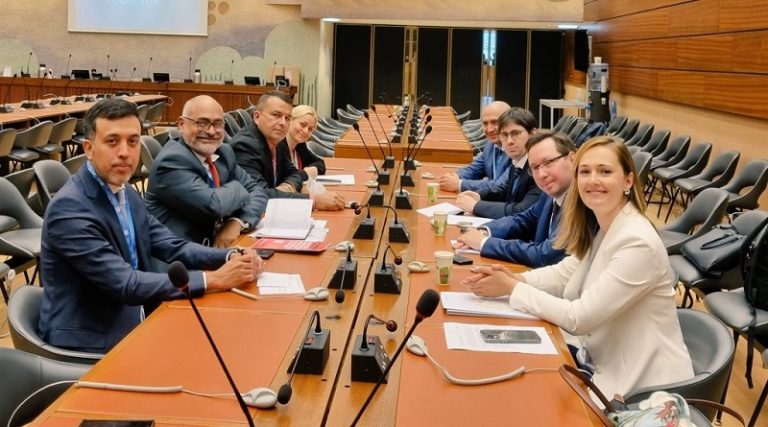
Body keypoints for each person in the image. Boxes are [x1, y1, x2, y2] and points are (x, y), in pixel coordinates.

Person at [462, 136, 694, 397]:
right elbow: (564, 272)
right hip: (599, 362)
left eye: (605, 171)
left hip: (641, 389)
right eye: (585, 172)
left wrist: (514, 289)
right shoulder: (605, 225)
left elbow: (578, 318)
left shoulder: (637, 242)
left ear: (628, 180)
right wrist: (518, 281)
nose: (593, 180)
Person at [38, 98, 264, 353]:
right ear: (89, 148)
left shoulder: (126, 192)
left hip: (134, 316)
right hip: (91, 339)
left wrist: (231, 256)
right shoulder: (70, 208)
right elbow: (126, 283)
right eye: (112, 141)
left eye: (133, 141)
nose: (125, 152)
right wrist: (214, 279)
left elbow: (170, 244)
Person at [145, 95, 268, 247]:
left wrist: (236, 222)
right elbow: (214, 205)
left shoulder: (224, 153)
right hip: (179, 261)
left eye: (217, 124)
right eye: (202, 123)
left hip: (216, 251)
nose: (211, 131)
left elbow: (258, 192)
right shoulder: (171, 161)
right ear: (181, 124)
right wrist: (239, 187)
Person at [454, 132, 574, 267]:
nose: (541, 174)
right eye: (535, 167)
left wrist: (484, 243)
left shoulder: (582, 203)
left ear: (572, 159)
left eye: (548, 163)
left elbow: (545, 255)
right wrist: (485, 231)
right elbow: (524, 220)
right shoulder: (550, 193)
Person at [230, 91, 344, 210]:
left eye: (287, 118)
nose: (283, 123)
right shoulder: (244, 145)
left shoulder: (276, 140)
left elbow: (294, 174)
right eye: (276, 115)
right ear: (257, 117)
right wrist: (313, 200)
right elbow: (259, 194)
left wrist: (286, 187)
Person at [455, 107, 542, 219]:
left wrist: (476, 206)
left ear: (533, 134)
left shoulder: (538, 168)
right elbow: (503, 190)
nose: (509, 141)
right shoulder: (518, 161)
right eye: (505, 135)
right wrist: (478, 195)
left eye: (515, 133)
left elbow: (521, 211)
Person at [439, 101, 511, 193]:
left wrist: (459, 184)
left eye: (495, 122)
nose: (489, 129)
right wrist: (456, 176)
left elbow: (499, 185)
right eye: (485, 123)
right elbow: (475, 169)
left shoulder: (516, 150)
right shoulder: (490, 145)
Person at [283, 104, 326, 181]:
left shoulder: (300, 146)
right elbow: (285, 178)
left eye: (310, 129)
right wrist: (306, 174)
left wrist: (313, 169)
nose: (306, 131)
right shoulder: (278, 145)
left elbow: (319, 163)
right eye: (302, 125)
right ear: (290, 120)